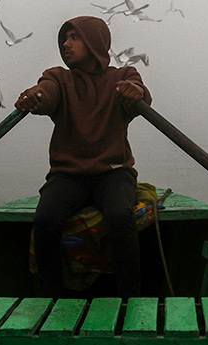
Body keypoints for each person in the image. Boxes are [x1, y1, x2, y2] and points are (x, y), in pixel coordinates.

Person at [15, 15, 151, 298]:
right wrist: (35, 96)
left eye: (74, 37)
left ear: (95, 42)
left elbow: (141, 95)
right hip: (68, 175)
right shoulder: (58, 78)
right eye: (65, 38)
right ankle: (51, 298)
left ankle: (131, 299)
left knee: (120, 216)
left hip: (113, 171)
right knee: (45, 221)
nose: (66, 43)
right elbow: (47, 92)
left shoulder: (122, 77)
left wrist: (135, 92)